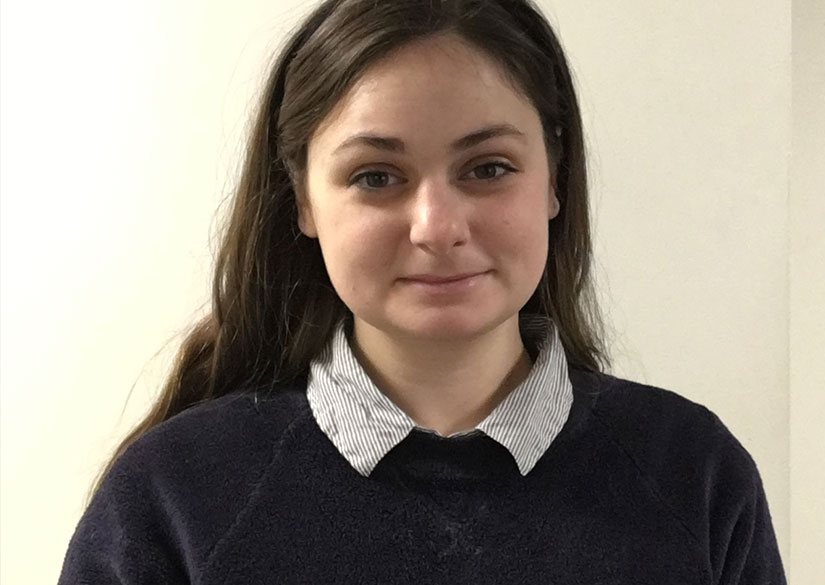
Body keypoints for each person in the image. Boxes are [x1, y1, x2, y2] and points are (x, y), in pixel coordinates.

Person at [58, 0, 787, 583]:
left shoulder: (694, 477)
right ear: (303, 201)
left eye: (488, 168)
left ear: (555, 179)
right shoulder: (174, 496)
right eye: (376, 176)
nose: (438, 227)